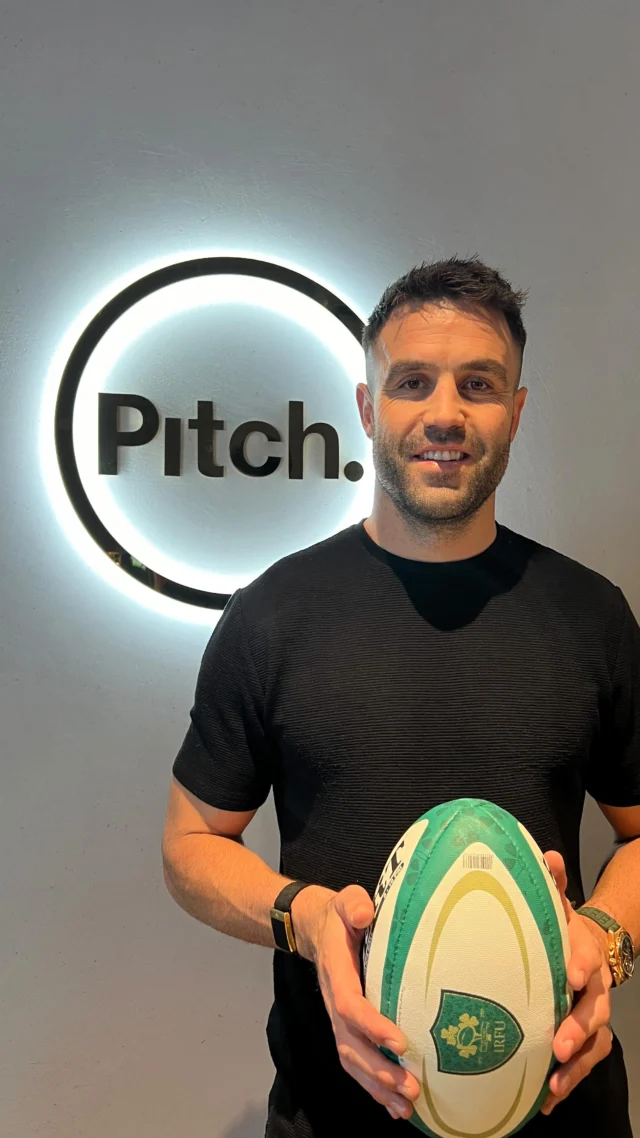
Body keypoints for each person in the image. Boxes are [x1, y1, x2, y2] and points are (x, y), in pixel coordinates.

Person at [162, 256, 640, 1137]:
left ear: (516, 412)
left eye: (479, 384)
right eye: (412, 381)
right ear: (368, 407)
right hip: (333, 1117)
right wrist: (303, 916)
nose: (445, 413)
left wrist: (605, 936)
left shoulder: (592, 616)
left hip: (564, 1115)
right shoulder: (272, 613)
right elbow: (190, 845)